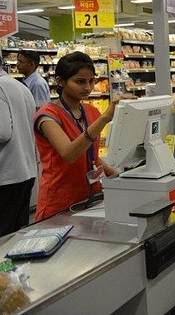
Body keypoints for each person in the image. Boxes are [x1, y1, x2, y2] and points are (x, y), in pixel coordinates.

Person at [34, 51, 132, 221]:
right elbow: (70, 154)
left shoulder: (91, 112)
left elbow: (91, 156)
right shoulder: (47, 116)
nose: (87, 87)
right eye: (80, 82)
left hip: (92, 199)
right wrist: (105, 118)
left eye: (91, 81)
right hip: (58, 204)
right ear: (60, 81)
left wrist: (118, 176)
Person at [0, 52, 39, 237]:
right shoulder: (19, 86)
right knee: (17, 234)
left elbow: (2, 132)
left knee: (4, 236)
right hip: (26, 170)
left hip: (6, 174)